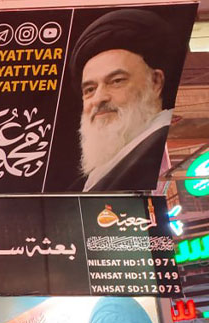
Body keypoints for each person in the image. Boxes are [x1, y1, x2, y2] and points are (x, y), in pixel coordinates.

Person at [70, 9, 175, 191]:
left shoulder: (153, 149)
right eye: (90, 89)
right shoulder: (101, 172)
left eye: (116, 81)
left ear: (155, 82)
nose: (99, 98)